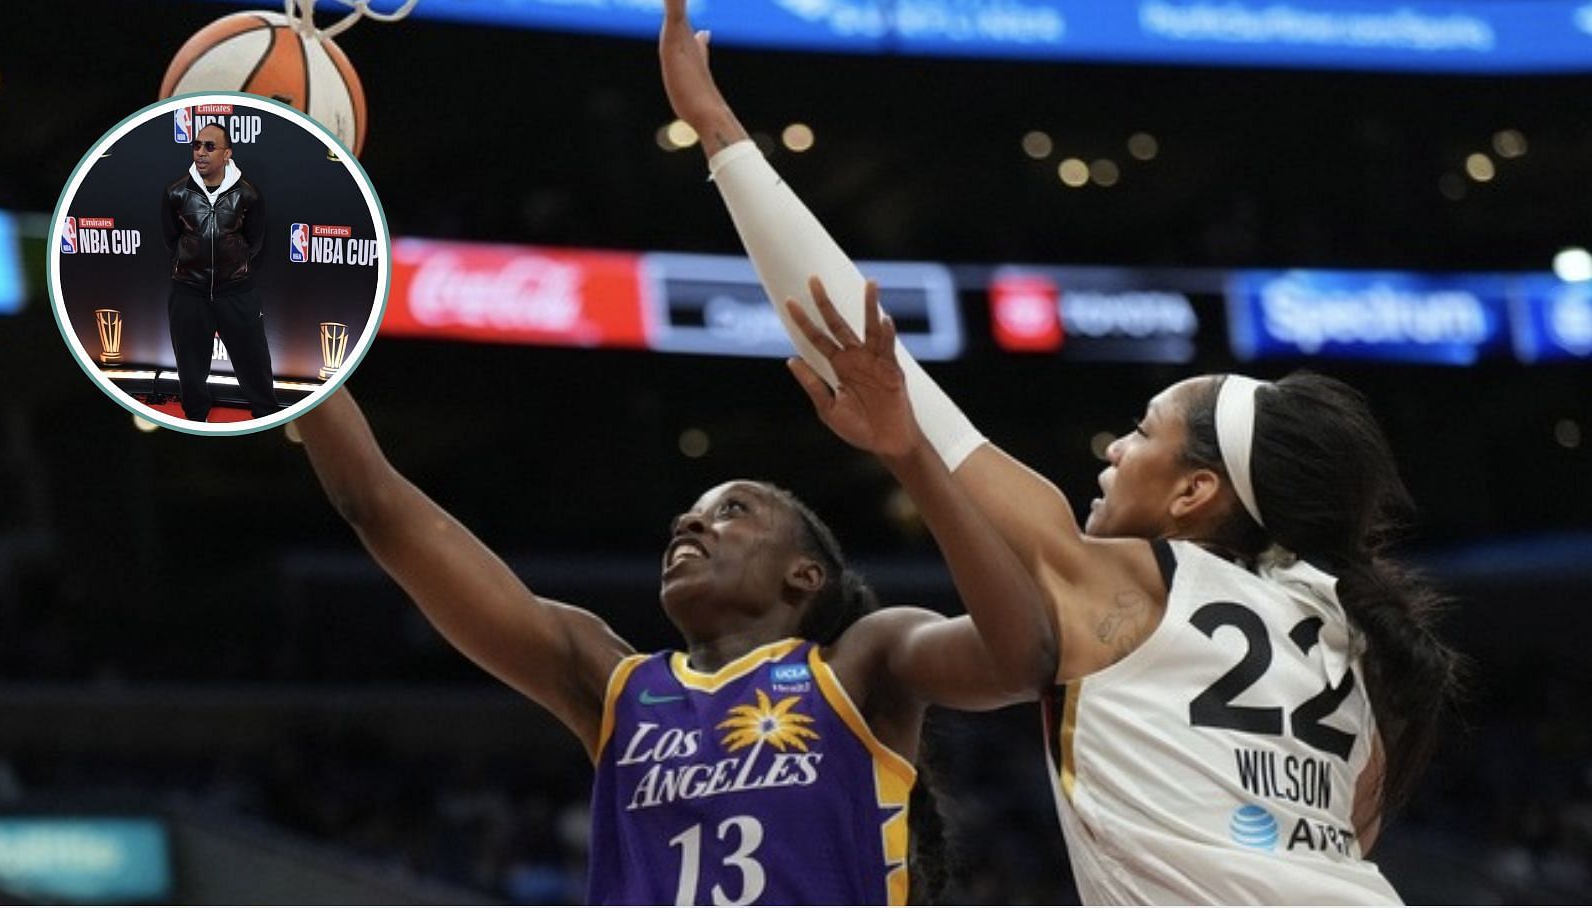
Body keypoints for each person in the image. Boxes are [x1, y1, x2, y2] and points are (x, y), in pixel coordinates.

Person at [658, 3, 1463, 902]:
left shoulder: (1118, 582)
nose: (1115, 448)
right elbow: (1349, 837)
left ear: (1198, 490)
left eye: (1145, 431)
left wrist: (722, 137)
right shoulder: (1350, 630)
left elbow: (863, 345)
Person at [293, 387, 1055, 905]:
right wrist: (303, 352)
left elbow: (1024, 659)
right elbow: (377, 504)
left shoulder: (861, 663)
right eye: (689, 515)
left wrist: (908, 454)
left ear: (805, 575)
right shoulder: (611, 681)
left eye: (731, 511)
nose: (688, 526)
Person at [160, 122, 277, 421]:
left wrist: (232, 267)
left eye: (209, 147)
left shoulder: (248, 194)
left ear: (227, 154)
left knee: (254, 362)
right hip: (188, 292)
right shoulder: (176, 192)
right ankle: (196, 418)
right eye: (197, 146)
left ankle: (266, 418)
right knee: (189, 367)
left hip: (236, 291)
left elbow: (255, 240)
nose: (200, 152)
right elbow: (171, 239)